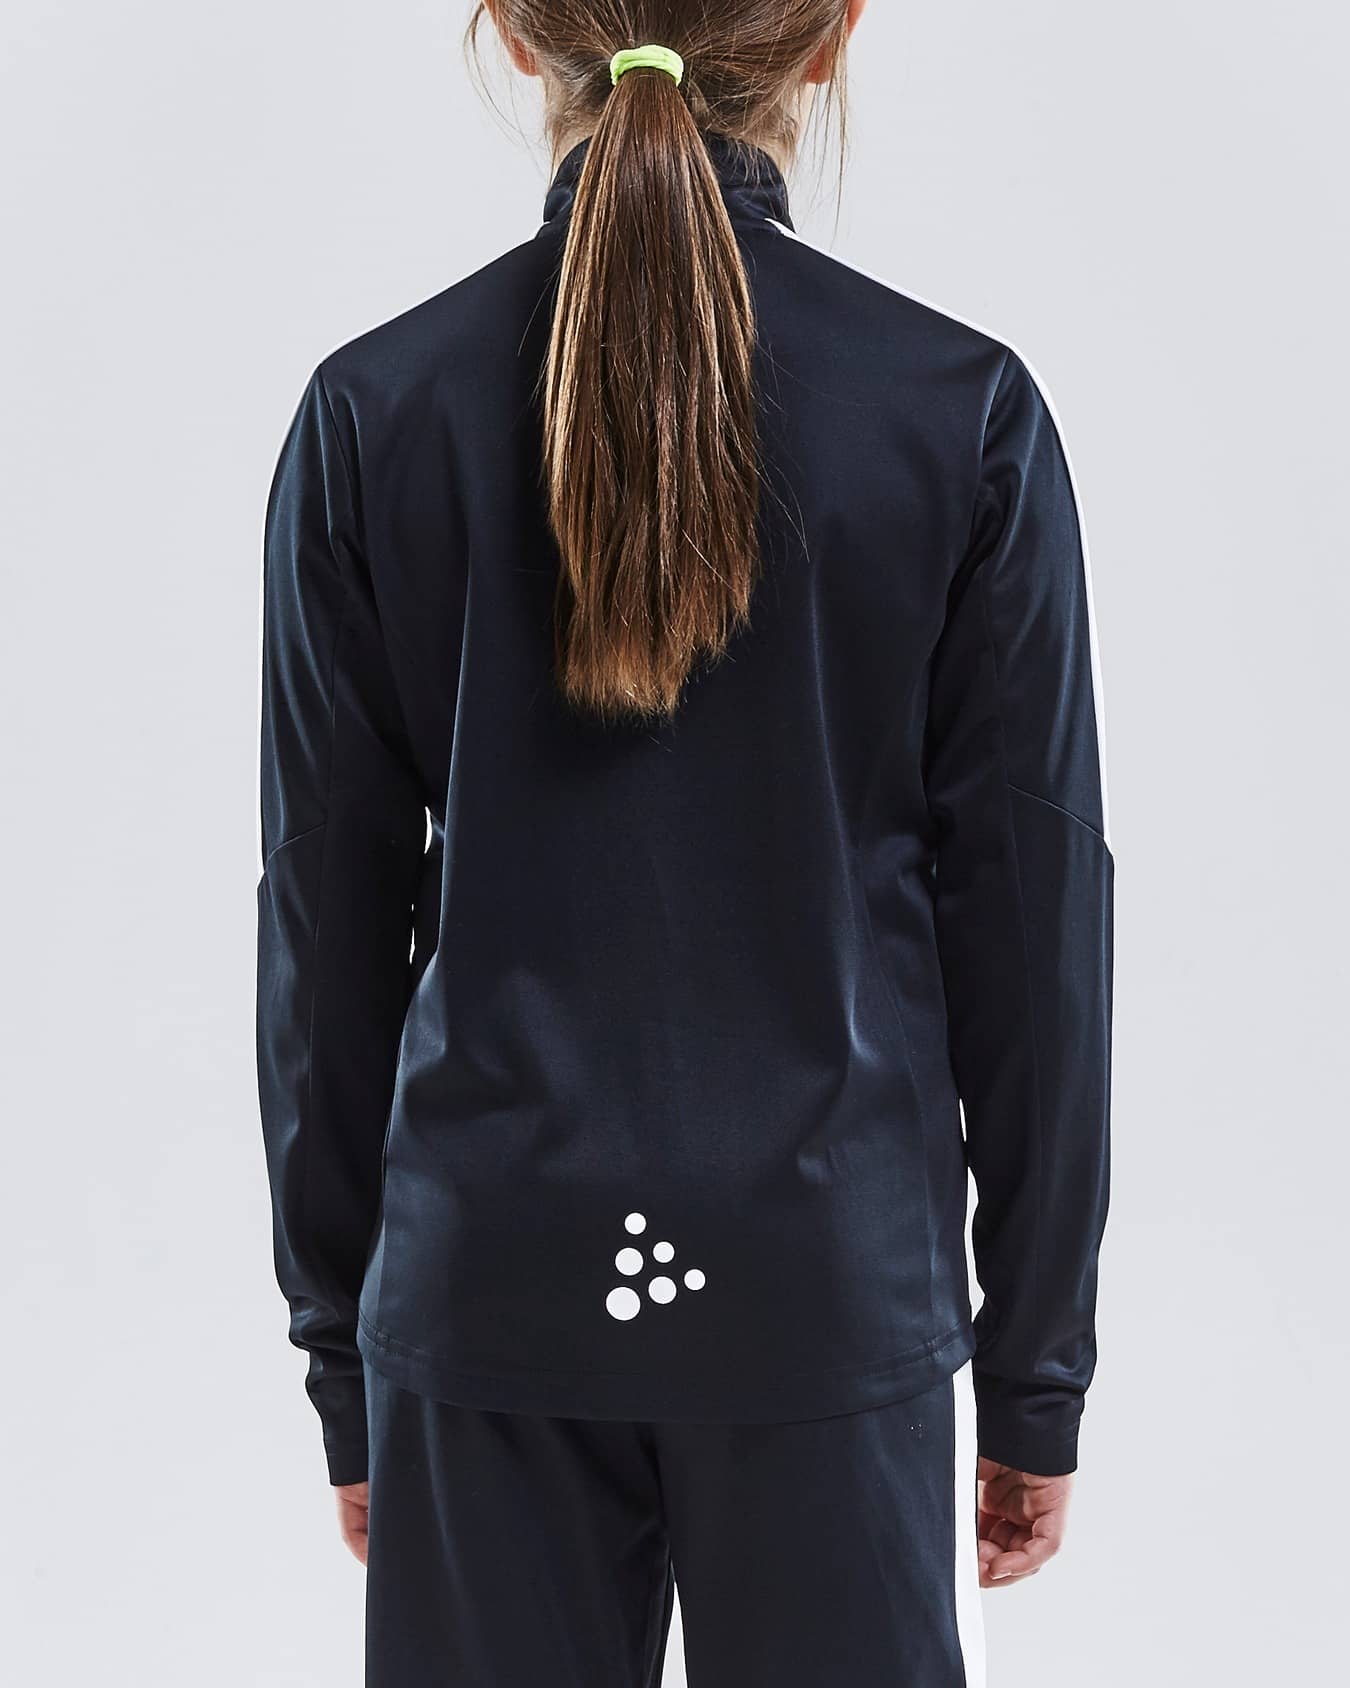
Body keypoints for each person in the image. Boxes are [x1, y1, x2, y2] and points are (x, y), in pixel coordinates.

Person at [255, 2, 1113, 1682]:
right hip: (826, 1287)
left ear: (517, 35)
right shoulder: (959, 413)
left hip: (487, 1289)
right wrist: (1034, 1372)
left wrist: (345, 1363)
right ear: (827, 35)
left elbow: (322, 924)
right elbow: (1033, 932)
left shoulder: (375, 410)